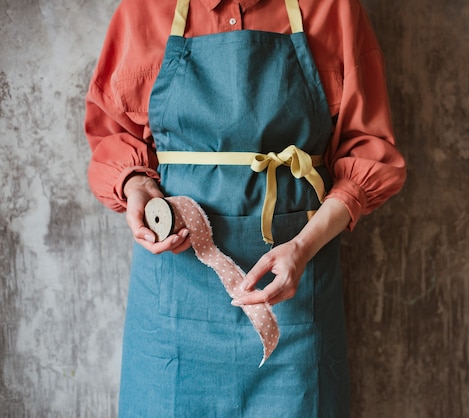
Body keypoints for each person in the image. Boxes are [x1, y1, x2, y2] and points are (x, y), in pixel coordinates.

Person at [85, 0, 406, 415]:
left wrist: (304, 247)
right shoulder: (144, 9)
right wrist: (137, 184)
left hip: (295, 288)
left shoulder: (332, 7)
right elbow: (114, 132)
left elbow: (368, 150)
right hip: (174, 307)